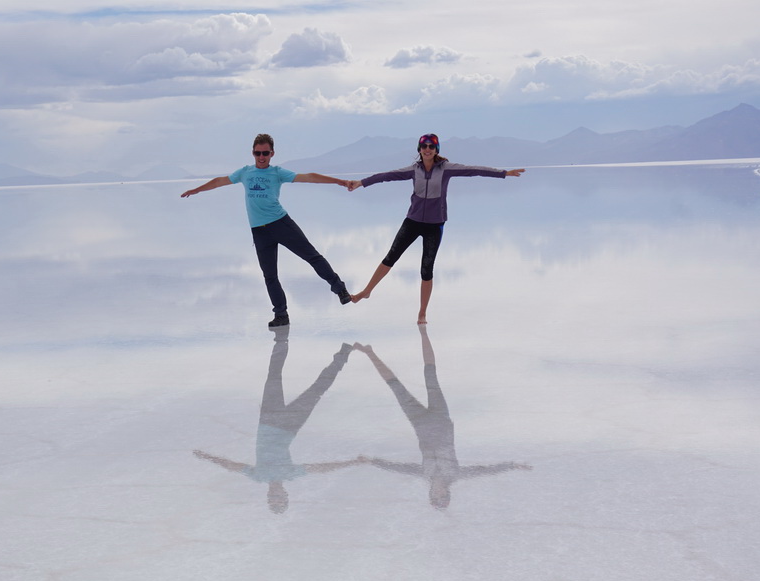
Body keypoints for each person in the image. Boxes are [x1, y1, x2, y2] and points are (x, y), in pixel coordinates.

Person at [347, 133, 525, 324]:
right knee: (391, 257)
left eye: (431, 146)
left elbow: (474, 170)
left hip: (434, 225)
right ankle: (367, 291)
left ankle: (422, 312)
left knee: (426, 269)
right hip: (412, 221)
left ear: (436, 149)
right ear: (419, 149)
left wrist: (504, 173)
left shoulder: (446, 169)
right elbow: (386, 176)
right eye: (424, 146)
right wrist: (361, 183)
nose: (428, 150)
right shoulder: (413, 170)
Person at [181, 133, 353, 328]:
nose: (261, 157)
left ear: (272, 153)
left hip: (281, 224)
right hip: (259, 231)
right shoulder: (245, 172)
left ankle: (340, 289)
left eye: (265, 153)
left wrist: (338, 182)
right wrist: (196, 190)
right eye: (258, 153)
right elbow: (220, 181)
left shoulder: (277, 173)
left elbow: (309, 177)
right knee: (270, 276)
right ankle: (281, 314)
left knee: (312, 256)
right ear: (253, 153)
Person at [354, 325, 532, 509]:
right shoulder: (455, 474)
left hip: (420, 422)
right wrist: (512, 465)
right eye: (442, 495)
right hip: (441, 419)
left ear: (431, 493)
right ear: (447, 492)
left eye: (436, 495)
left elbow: (399, 468)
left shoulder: (424, 473)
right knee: (430, 374)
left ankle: (369, 352)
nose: (439, 492)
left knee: (395, 387)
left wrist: (372, 461)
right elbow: (484, 471)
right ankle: (423, 332)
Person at [194, 329, 367, 513]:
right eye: (279, 499)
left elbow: (232, 466)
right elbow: (321, 468)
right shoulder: (290, 473)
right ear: (285, 495)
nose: (274, 496)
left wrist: (208, 457)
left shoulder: (259, 476)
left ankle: (281, 339)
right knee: (318, 388)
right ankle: (343, 354)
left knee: (273, 375)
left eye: (272, 499)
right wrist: (352, 462)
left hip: (268, 418)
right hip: (290, 425)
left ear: (268, 496)